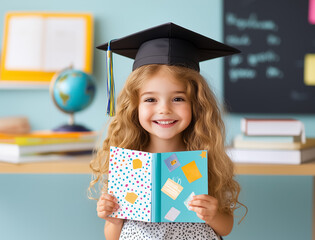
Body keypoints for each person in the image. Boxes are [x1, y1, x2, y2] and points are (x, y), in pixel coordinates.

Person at [89, 22, 246, 240]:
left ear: (196, 105)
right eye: (150, 99)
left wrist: (212, 214)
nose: (164, 109)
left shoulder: (202, 159)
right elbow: (112, 236)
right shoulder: (128, 162)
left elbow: (225, 227)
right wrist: (112, 220)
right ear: (135, 106)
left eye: (178, 98)